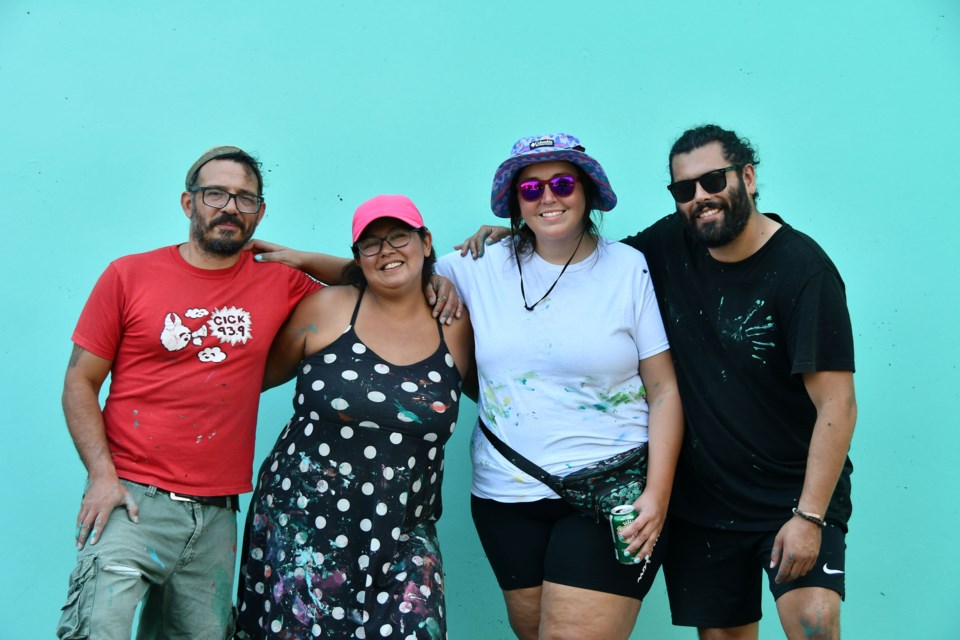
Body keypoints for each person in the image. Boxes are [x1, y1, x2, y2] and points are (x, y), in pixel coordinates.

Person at [253, 134, 684, 640]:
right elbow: (388, 272)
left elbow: (664, 391)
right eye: (531, 189)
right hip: (508, 495)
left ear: (587, 191)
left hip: (609, 486)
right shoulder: (478, 267)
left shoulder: (627, 268)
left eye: (563, 183)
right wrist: (299, 258)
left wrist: (657, 494)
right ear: (515, 204)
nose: (548, 197)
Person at [458, 124, 858, 640]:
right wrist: (518, 236)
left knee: (814, 623)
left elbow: (838, 404)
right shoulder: (667, 246)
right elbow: (580, 264)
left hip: (791, 489)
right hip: (705, 498)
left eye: (713, 181)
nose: (700, 198)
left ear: (749, 178)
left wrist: (810, 514)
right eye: (684, 189)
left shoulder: (803, 269)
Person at [55, 148, 460, 639]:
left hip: (217, 512)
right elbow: (80, 381)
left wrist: (427, 277)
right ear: (189, 203)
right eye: (216, 194)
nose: (230, 207)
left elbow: (372, 279)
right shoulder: (129, 275)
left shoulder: (282, 283)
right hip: (133, 497)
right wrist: (100, 475)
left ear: (260, 212)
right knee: (99, 629)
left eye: (245, 198)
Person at [233, 195, 473, 640]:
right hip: (301, 523)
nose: (387, 250)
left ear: (425, 241)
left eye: (399, 236)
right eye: (371, 243)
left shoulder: (454, 321)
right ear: (357, 257)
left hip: (403, 528)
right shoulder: (328, 308)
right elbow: (250, 380)